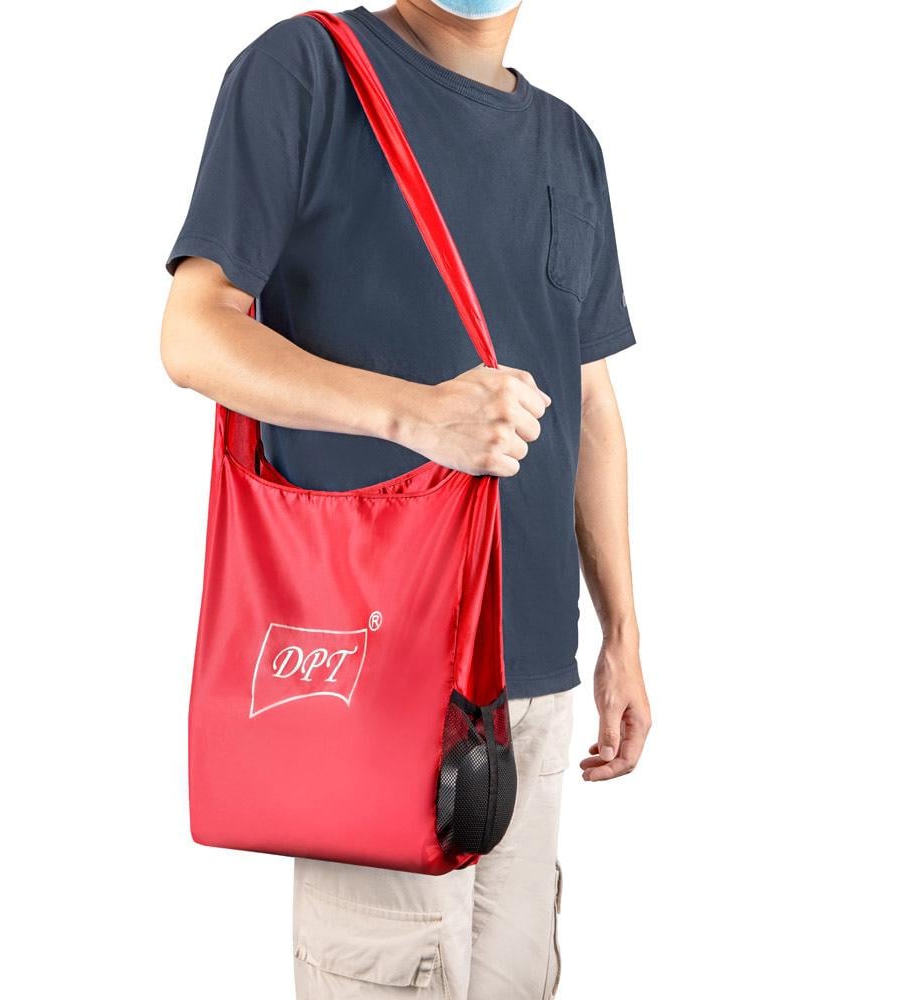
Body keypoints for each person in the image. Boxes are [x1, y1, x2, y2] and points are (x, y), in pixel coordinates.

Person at [161, 2, 651, 996]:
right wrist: (418, 414)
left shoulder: (569, 143)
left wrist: (623, 636)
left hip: (533, 679)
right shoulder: (308, 71)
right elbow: (194, 332)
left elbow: (591, 403)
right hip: (376, 672)